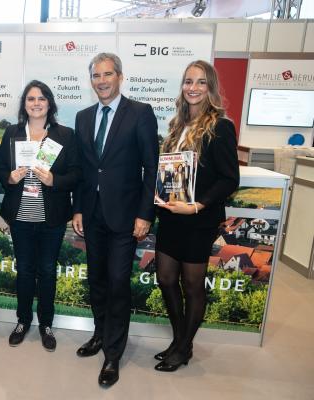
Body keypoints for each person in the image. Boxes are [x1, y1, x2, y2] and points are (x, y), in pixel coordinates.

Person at [71, 52, 159, 387]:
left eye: (108, 74)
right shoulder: (83, 117)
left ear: (120, 77)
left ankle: (112, 354)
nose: (102, 81)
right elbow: (83, 171)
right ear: (91, 79)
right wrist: (78, 208)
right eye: (96, 75)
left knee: (119, 282)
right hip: (92, 215)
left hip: (126, 218)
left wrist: (144, 213)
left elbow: (151, 167)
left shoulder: (140, 113)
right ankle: (99, 334)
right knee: (97, 281)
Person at [154, 60, 239, 372]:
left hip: (198, 219)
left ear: (210, 87)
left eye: (201, 82)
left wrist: (198, 205)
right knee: (164, 278)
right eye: (188, 81)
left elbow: (230, 179)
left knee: (192, 285)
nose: (193, 87)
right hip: (171, 216)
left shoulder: (220, 126)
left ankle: (184, 346)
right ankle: (179, 340)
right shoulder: (177, 125)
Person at [0, 80, 81, 351]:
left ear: (49, 103)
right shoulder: (12, 133)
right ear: (24, 104)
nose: (36, 103)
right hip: (20, 216)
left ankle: (46, 324)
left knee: (46, 271)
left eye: (41, 98)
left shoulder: (65, 135)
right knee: (24, 271)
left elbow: (77, 175)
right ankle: (22, 321)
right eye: (31, 99)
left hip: (51, 218)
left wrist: (54, 180)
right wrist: (9, 177)